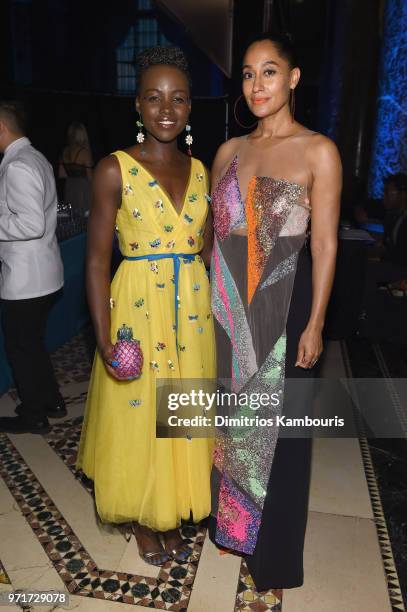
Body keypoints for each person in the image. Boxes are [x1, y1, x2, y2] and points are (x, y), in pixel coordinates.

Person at [208, 32, 341, 597]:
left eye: (268, 72)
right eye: (246, 73)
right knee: (234, 428)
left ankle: (277, 558)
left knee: (282, 439)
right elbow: (212, 239)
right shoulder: (229, 150)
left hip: (284, 307)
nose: (256, 85)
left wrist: (315, 323)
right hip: (226, 310)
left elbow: (326, 245)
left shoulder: (319, 151)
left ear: (292, 78)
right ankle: (234, 528)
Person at [76, 46, 215, 566]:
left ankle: (172, 509)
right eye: (154, 98)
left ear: (190, 107)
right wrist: (105, 336)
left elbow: (204, 248)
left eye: (178, 99)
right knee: (139, 414)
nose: (165, 109)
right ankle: (141, 516)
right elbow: (94, 262)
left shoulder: (202, 170)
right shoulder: (114, 169)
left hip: (191, 312)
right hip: (138, 308)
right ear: (138, 104)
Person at [0, 100, 65, 435]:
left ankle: (33, 414)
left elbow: (30, 224)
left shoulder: (16, 166)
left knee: (21, 347)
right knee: (33, 343)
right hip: (43, 273)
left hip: (25, 279)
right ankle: (52, 400)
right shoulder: (34, 156)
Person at [58, 121, 93, 212]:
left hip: (69, 187)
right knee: (85, 217)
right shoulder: (84, 153)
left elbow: (62, 174)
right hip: (83, 188)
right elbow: (90, 177)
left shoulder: (65, 151)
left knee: (72, 216)